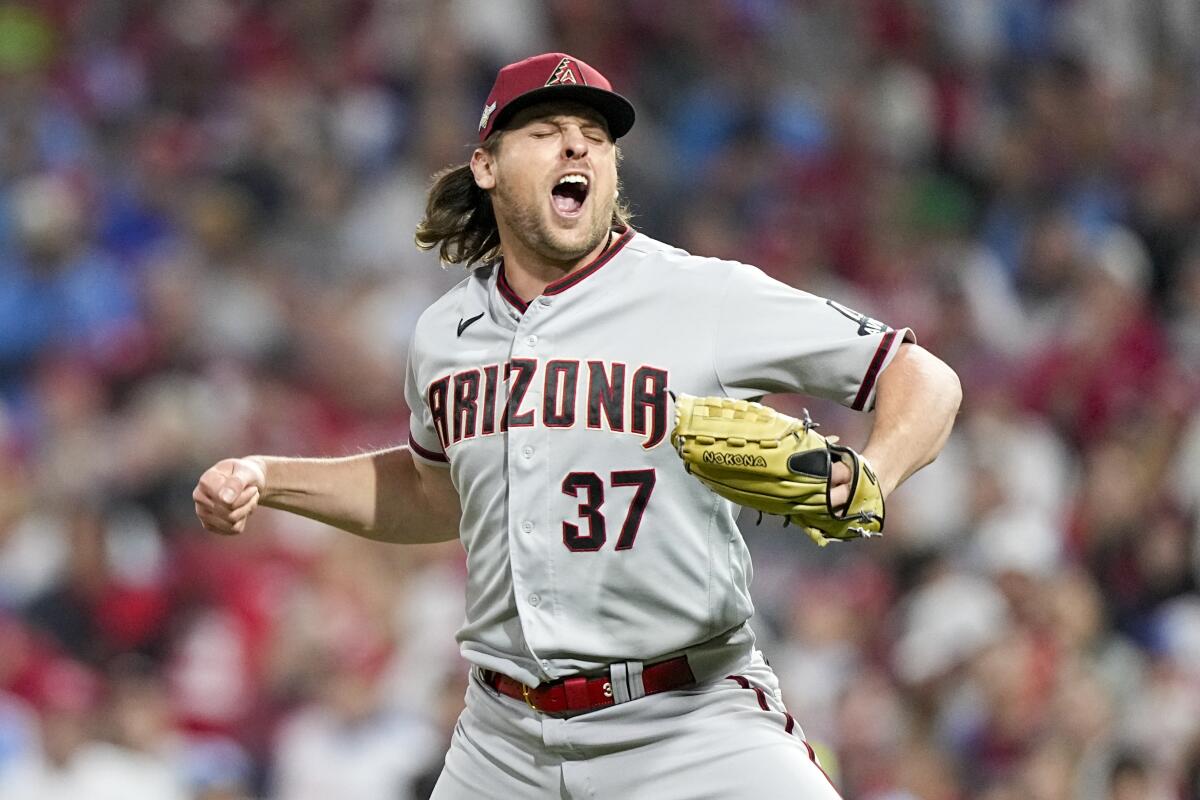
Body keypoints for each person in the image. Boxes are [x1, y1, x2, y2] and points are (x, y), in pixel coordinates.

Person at [193, 52, 962, 799]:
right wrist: (270, 479)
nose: (576, 145)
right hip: (503, 737)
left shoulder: (701, 295)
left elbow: (923, 377)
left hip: (688, 721)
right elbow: (435, 495)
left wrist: (873, 473)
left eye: (595, 136)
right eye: (546, 130)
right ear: (486, 166)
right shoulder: (443, 334)